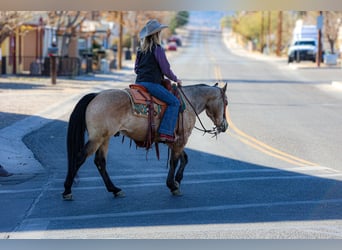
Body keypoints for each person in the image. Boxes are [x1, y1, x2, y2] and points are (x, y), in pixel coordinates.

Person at [134, 19, 182, 143]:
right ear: (156, 34)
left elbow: (136, 69)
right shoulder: (158, 49)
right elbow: (165, 69)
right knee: (174, 102)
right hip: (152, 84)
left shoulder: (140, 50)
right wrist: (176, 79)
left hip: (138, 84)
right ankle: (165, 133)